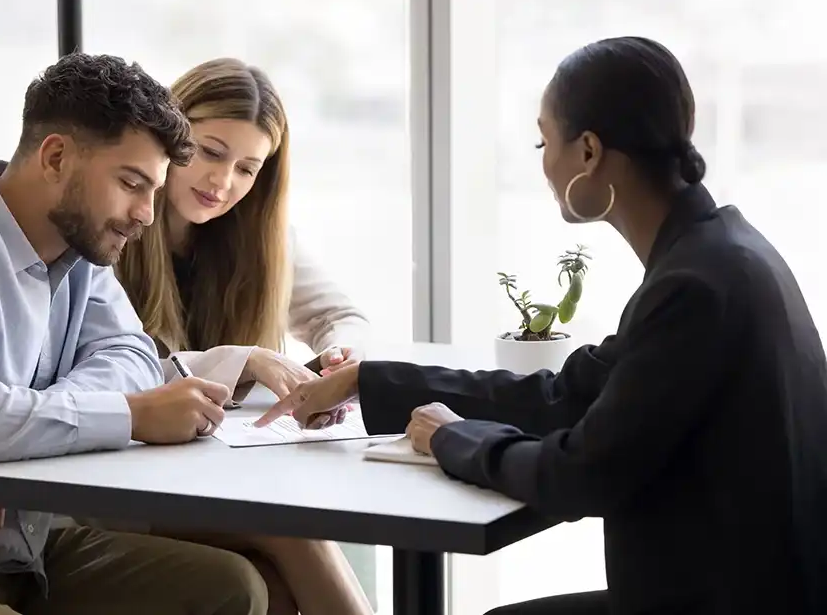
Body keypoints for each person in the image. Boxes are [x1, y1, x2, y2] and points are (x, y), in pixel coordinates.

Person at [256, 37, 827, 614]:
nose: (543, 164)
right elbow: (564, 396)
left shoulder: (695, 287)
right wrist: (368, 381)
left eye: (543, 140)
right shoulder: (719, 254)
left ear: (588, 152)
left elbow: (580, 474)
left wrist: (453, 438)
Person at [0, 53, 269, 615]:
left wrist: (0, 458)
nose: (147, 214)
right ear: (56, 156)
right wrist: (132, 416)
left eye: (154, 190)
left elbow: (132, 354)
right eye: (132, 183)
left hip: (20, 550)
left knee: (232, 588)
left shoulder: (80, 246)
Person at [112, 57, 373, 615]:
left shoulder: (261, 239)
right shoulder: (114, 228)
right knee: (295, 534)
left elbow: (343, 316)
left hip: (214, 478)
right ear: (168, 133)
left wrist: (340, 357)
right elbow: (116, 378)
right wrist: (244, 360)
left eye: (247, 169)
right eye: (210, 152)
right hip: (120, 485)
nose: (222, 183)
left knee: (273, 592)